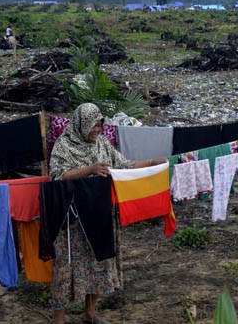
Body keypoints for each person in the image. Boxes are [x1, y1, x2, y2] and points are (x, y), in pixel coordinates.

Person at [48, 103, 164, 324]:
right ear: (81, 124)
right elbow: (57, 177)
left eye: (99, 125)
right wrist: (89, 170)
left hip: (100, 214)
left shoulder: (102, 143)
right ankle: (59, 320)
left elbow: (123, 165)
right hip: (73, 221)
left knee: (99, 261)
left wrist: (151, 162)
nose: (97, 130)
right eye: (93, 125)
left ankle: (90, 313)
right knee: (65, 268)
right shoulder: (63, 146)